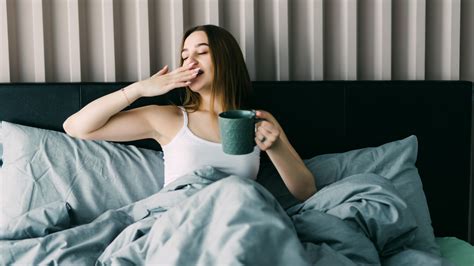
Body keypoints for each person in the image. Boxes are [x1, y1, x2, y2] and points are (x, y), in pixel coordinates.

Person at [63, 24, 316, 201]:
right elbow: (76, 127)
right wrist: (140, 89)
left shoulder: (258, 120)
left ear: (227, 60)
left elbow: (306, 191)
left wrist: (275, 146)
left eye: (202, 52)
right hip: (180, 218)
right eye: (184, 57)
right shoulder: (169, 118)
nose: (189, 62)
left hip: (236, 217)